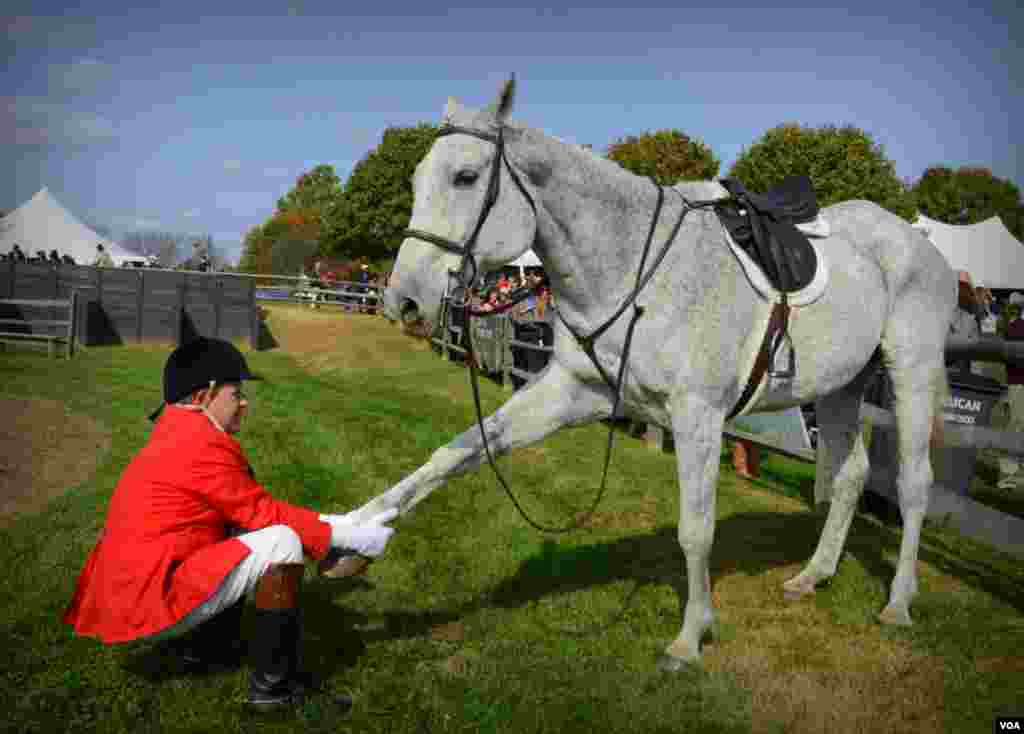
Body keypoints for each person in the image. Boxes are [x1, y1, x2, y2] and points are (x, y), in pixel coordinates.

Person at [63, 337, 398, 712]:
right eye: (235, 393)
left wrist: (342, 524)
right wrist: (355, 536)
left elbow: (249, 510)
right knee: (280, 542)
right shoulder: (199, 441)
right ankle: (273, 694)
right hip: (146, 600)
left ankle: (206, 650)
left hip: (130, 592)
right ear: (205, 394)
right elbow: (267, 516)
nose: (244, 403)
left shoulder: (177, 431)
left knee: (244, 530)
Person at [998, 304, 1024, 489]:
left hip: (1017, 381)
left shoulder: (1014, 327)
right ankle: (1007, 474)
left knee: (1017, 424)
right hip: (1018, 382)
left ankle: (1014, 470)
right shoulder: (1016, 327)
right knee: (1016, 423)